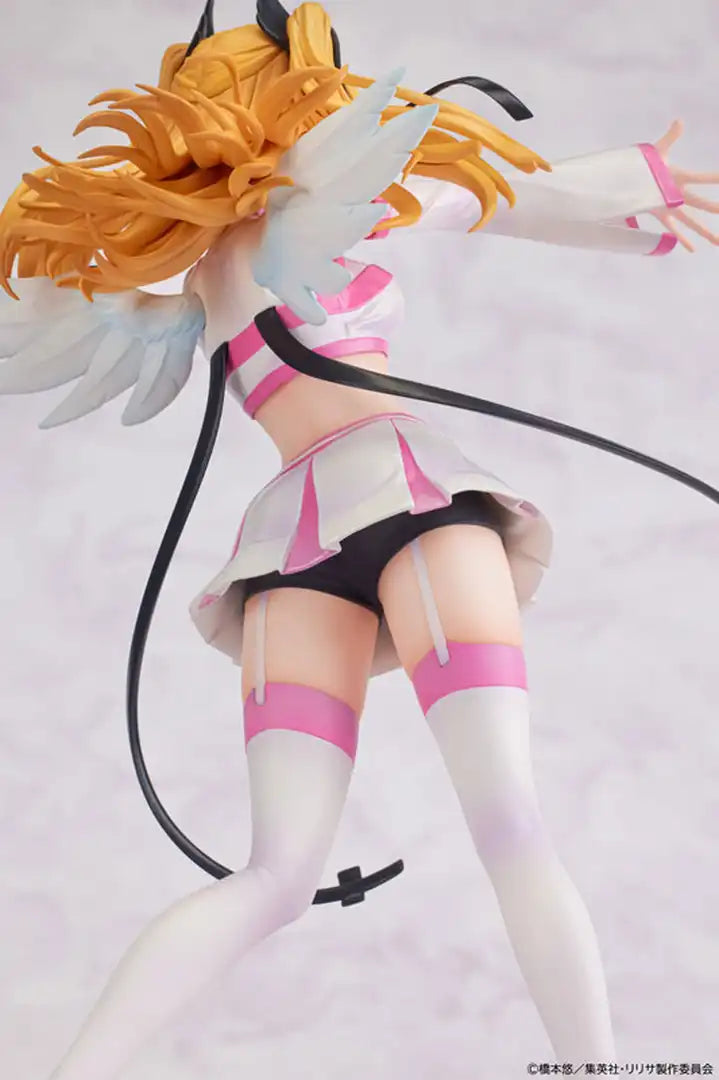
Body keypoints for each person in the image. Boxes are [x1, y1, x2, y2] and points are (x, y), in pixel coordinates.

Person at [1, 2, 717, 1076]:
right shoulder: (343, 200)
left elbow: (63, 303)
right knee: (510, 827)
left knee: (271, 879)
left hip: (292, 554)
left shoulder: (187, 279)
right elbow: (504, 193)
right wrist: (641, 185)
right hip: (414, 499)